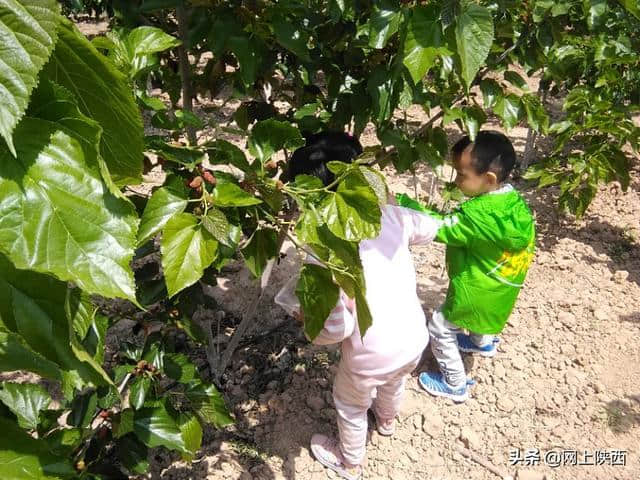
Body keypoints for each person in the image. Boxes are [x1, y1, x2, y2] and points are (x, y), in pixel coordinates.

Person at [279, 134, 439, 480]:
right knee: (395, 380)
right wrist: (393, 204)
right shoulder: (391, 217)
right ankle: (386, 420)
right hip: (413, 337)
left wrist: (309, 319)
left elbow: (338, 329)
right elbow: (429, 227)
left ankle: (350, 462)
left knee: (351, 404)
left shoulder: (325, 252)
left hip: (370, 354)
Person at [397, 130, 536, 403]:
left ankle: (455, 384)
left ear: (489, 179)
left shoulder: (476, 218)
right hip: (502, 287)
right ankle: (481, 343)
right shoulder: (512, 202)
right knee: (483, 314)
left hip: (476, 292)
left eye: (462, 175)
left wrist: (404, 205)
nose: (457, 180)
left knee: (439, 326)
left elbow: (440, 228)